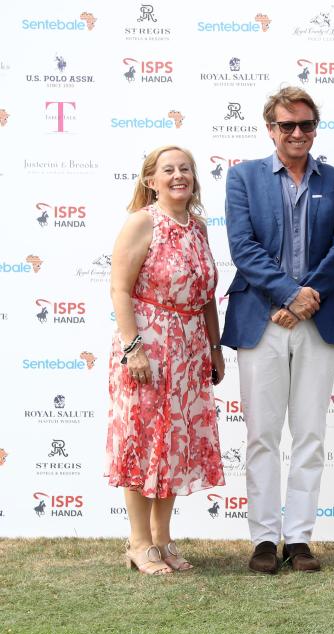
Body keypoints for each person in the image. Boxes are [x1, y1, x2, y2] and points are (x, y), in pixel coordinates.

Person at [223, 87, 334, 574]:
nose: (296, 133)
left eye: (305, 124)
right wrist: (286, 294)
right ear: (270, 128)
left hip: (316, 320)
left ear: (315, 127)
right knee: (261, 434)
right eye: (286, 125)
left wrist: (303, 300)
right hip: (261, 320)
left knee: (310, 434)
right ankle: (262, 538)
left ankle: (298, 538)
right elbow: (243, 246)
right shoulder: (243, 177)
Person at [107, 144, 225, 575]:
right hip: (150, 347)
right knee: (142, 441)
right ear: (150, 180)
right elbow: (120, 289)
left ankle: (161, 539)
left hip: (191, 347)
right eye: (168, 170)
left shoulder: (198, 228)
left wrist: (213, 347)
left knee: (173, 444)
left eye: (186, 169)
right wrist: (132, 347)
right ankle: (138, 543)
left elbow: (207, 295)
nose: (179, 176)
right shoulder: (142, 223)